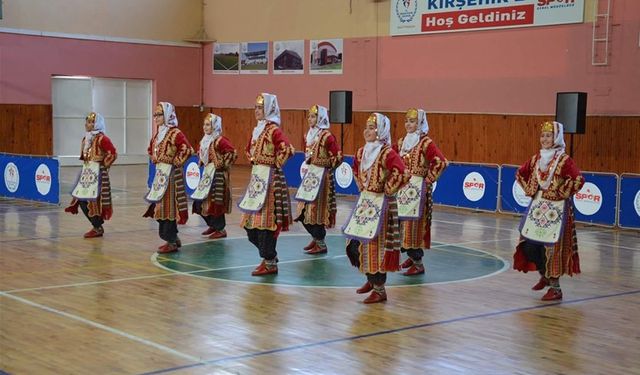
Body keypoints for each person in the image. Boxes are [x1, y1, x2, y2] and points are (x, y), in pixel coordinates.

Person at [513, 121, 584, 301]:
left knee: (552, 249)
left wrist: (559, 193)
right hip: (537, 210)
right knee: (529, 246)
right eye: (543, 136)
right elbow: (520, 173)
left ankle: (555, 288)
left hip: (558, 213)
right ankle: (545, 274)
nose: (545, 139)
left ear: (557, 138)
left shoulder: (564, 160)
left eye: (549, 136)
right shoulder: (537, 158)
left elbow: (578, 180)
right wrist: (531, 190)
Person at [344, 113, 408, 304]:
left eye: (372, 128)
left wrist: (387, 189)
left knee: (375, 247)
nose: (367, 131)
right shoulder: (361, 152)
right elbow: (355, 168)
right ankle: (371, 280)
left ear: (381, 131)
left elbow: (402, 173)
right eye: (367, 127)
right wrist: (362, 186)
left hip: (382, 205)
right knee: (355, 244)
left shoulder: (387, 153)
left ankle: (379, 288)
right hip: (365, 203)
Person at [239, 93, 294, 276]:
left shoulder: (273, 130)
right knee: (250, 225)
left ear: (269, 109)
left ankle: (269, 260)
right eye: (255, 107)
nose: (256, 110)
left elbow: (287, 148)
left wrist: (275, 164)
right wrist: (254, 160)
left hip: (270, 182)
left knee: (266, 224)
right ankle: (269, 256)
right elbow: (248, 150)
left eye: (260, 108)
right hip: (257, 181)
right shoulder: (258, 130)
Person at [394, 109, 448, 276]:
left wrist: (428, 179)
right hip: (402, 190)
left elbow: (441, 162)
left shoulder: (426, 143)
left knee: (412, 227)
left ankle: (418, 263)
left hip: (417, 192)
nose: (408, 124)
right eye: (406, 121)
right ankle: (411, 257)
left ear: (420, 123)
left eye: (412, 121)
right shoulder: (402, 141)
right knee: (400, 224)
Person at [143, 102, 194, 253]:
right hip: (160, 175)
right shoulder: (159, 134)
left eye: (159, 115)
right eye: (155, 115)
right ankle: (173, 237)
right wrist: (153, 156)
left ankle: (170, 240)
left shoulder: (175, 133)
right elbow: (151, 148)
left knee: (167, 208)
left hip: (171, 175)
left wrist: (175, 162)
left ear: (166, 115)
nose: (156, 117)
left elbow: (187, 149)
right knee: (159, 208)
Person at [294, 105, 342, 254]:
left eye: (313, 116)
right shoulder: (308, 135)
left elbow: (338, 156)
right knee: (302, 211)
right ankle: (316, 238)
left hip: (322, 178)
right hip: (310, 176)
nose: (310, 119)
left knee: (316, 211)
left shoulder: (327, 136)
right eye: (309, 116)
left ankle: (320, 241)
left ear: (320, 118)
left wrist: (327, 166)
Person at [65, 112, 117, 238]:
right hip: (87, 174)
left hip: (98, 175)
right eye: (87, 122)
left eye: (91, 122)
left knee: (94, 202)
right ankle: (97, 225)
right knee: (81, 199)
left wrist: (103, 165)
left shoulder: (102, 139)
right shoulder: (86, 139)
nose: (87, 124)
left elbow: (113, 154)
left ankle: (97, 227)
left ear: (97, 124)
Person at [192, 113, 237, 239]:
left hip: (217, 176)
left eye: (208, 125)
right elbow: (202, 154)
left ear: (214, 126)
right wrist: (201, 160)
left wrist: (221, 164)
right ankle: (212, 225)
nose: (205, 127)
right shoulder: (205, 140)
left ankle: (220, 229)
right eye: (204, 124)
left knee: (215, 202)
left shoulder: (220, 140)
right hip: (207, 174)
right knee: (199, 201)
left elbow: (232, 152)